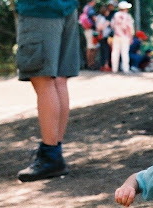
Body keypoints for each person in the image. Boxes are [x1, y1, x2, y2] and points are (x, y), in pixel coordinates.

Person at [15, 0, 80, 182]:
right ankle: (54, 153)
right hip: (67, 7)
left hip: (40, 9)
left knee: (43, 80)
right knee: (59, 79)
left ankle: (51, 155)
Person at [110, 1, 134, 73]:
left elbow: (112, 25)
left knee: (115, 52)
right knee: (125, 52)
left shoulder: (115, 15)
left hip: (116, 35)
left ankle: (114, 69)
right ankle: (125, 69)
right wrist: (131, 37)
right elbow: (130, 27)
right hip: (125, 36)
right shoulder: (128, 16)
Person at [79, 0, 99, 70]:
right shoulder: (90, 8)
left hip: (87, 29)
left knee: (91, 46)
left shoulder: (85, 8)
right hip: (90, 29)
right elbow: (93, 18)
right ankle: (90, 64)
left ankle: (90, 63)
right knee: (91, 47)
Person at [95, 4, 112, 71]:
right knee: (105, 51)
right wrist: (106, 24)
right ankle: (105, 65)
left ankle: (102, 65)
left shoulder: (98, 17)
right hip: (103, 36)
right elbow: (100, 27)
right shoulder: (102, 18)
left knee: (102, 51)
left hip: (100, 37)